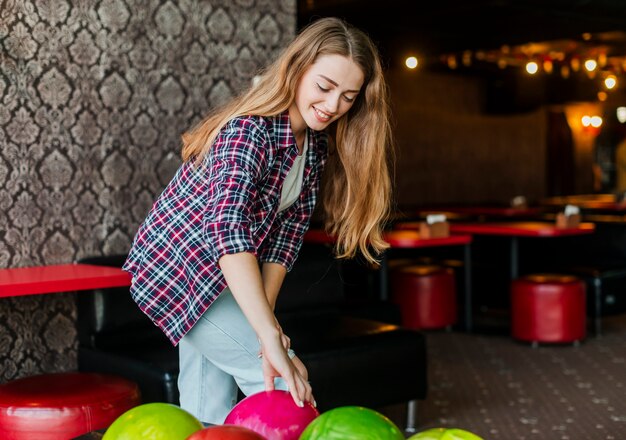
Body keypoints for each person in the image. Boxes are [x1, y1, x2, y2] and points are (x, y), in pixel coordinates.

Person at [122, 17, 392, 424]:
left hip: (222, 280)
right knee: (287, 388)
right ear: (297, 70)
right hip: (182, 273)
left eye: (348, 96)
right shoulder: (249, 131)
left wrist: (265, 321)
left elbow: (285, 242)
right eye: (325, 87)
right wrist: (267, 338)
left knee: (203, 410)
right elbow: (230, 236)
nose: (334, 105)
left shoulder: (313, 148)